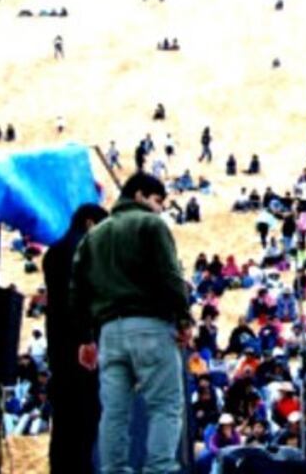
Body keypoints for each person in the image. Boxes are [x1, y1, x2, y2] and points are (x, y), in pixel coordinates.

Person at [70, 172, 192, 474]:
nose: (160, 208)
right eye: (157, 200)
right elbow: (169, 275)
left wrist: (86, 339)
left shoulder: (94, 235)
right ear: (139, 195)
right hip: (151, 326)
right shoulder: (151, 224)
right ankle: (159, 468)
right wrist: (184, 318)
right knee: (165, 405)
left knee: (114, 413)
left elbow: (77, 291)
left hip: (109, 333)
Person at [43, 203, 109, 474]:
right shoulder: (83, 251)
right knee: (84, 425)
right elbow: (80, 299)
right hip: (83, 351)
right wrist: (87, 337)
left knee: (64, 428)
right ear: (91, 223)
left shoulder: (54, 252)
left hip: (59, 350)